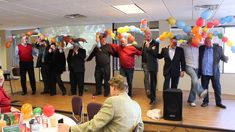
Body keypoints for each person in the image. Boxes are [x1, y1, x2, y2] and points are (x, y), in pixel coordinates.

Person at [58, 75, 144, 132]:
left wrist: (70, 129)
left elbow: (94, 125)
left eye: (110, 88)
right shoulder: (136, 105)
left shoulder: (113, 101)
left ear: (114, 88)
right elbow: (140, 127)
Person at [199, 37, 228, 109]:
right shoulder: (201, 48)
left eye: (209, 42)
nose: (207, 43)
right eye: (206, 42)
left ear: (212, 42)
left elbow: (223, 57)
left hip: (214, 72)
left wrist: (226, 59)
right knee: (204, 88)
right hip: (204, 72)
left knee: (217, 88)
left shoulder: (218, 48)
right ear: (204, 42)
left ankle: (219, 103)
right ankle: (205, 102)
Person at [180, 36, 207, 107]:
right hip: (188, 66)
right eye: (193, 41)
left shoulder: (198, 45)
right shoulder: (183, 45)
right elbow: (175, 40)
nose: (195, 43)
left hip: (197, 67)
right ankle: (200, 91)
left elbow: (206, 43)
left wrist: (215, 44)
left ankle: (191, 100)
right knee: (195, 78)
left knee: (193, 83)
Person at [87, 32, 114, 97]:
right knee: (97, 79)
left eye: (104, 39)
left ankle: (106, 92)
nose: (104, 40)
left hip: (106, 66)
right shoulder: (96, 47)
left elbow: (112, 53)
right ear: (100, 40)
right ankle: (98, 91)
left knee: (106, 80)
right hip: (98, 66)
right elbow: (92, 54)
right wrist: (87, 59)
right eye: (102, 39)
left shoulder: (108, 46)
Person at [141, 30, 159, 104]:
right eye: (146, 34)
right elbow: (143, 53)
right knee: (146, 78)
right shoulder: (144, 43)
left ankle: (153, 98)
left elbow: (155, 53)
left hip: (153, 65)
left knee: (153, 81)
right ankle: (148, 92)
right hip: (145, 64)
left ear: (151, 35)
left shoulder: (156, 43)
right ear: (145, 36)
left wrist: (149, 48)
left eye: (149, 34)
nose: (147, 35)